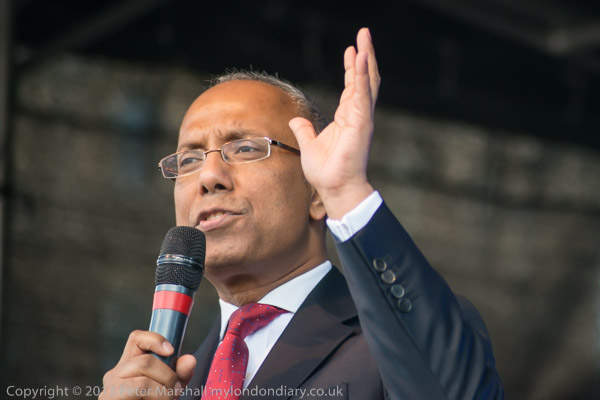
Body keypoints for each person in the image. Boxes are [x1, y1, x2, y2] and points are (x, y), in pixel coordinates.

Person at [100, 28, 504, 399]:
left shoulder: (398, 337)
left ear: (315, 193)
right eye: (189, 160)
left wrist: (346, 191)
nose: (208, 176)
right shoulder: (175, 383)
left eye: (244, 148)